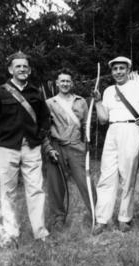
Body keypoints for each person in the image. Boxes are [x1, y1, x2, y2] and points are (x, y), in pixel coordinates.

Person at [0, 51, 55, 244]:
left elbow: (45, 118)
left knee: (36, 189)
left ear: (29, 70)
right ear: (10, 69)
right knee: (8, 191)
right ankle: (11, 231)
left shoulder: (35, 93)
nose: (22, 69)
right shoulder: (0, 92)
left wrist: (41, 135)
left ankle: (40, 232)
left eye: (25, 66)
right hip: (7, 148)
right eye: (18, 66)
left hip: (32, 147)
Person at [92, 56, 139, 235]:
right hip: (112, 131)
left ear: (128, 70)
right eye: (115, 69)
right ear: (111, 72)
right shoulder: (109, 90)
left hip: (132, 130)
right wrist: (96, 101)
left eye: (122, 68)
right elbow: (103, 119)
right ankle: (102, 219)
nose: (118, 72)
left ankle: (124, 218)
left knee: (128, 176)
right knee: (106, 175)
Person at [45, 68, 96, 232]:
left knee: (86, 182)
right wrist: (48, 148)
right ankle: (58, 218)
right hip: (56, 147)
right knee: (56, 186)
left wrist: (86, 143)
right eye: (62, 81)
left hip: (76, 145)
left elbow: (86, 124)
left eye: (68, 81)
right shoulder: (49, 103)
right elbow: (44, 127)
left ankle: (96, 215)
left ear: (72, 83)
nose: (65, 84)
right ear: (57, 83)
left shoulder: (81, 101)